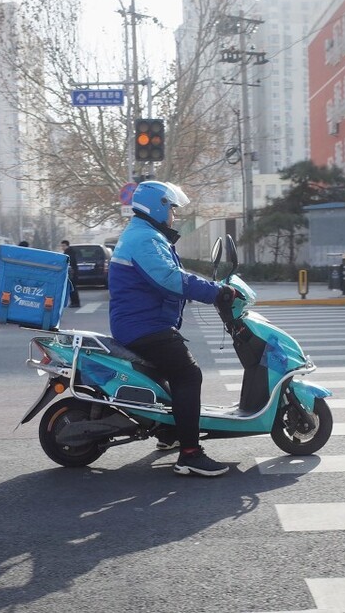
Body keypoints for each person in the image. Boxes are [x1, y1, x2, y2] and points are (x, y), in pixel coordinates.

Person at [108, 180, 233, 477]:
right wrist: (215, 293)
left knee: (168, 374)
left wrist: (211, 288)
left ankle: (169, 434)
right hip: (143, 327)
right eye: (173, 210)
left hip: (141, 323)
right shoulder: (145, 239)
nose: (174, 216)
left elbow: (173, 274)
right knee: (188, 374)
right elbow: (169, 278)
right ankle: (189, 454)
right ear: (159, 206)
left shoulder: (144, 235)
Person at [60, 240, 81, 308]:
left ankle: (75, 302)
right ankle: (74, 302)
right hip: (72, 272)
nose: (62, 247)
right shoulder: (70, 252)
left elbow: (69, 263)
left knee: (72, 288)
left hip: (71, 273)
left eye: (63, 246)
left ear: (67, 245)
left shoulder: (68, 253)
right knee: (72, 288)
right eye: (62, 246)